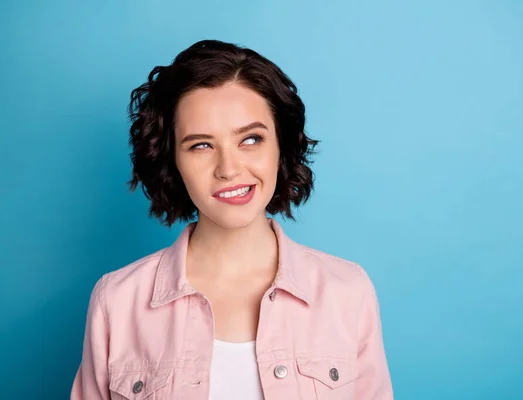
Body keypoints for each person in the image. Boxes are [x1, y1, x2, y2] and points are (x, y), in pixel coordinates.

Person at [70, 39, 393, 400]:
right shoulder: (117, 301)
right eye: (201, 145)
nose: (229, 169)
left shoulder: (347, 291)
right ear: (171, 161)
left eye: (251, 139)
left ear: (281, 146)